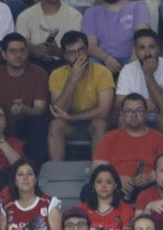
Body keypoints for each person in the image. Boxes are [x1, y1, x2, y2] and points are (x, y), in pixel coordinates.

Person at [46, 31, 116, 162]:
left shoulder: (103, 72)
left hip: (93, 123)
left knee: (100, 124)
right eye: (72, 53)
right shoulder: (57, 74)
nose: (78, 56)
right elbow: (57, 111)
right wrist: (73, 80)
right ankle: (58, 174)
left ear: (87, 50)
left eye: (81, 50)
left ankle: (98, 172)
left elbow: (104, 111)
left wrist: (72, 117)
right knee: (55, 125)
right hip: (69, 126)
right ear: (65, 56)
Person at [84, 0, 153, 71]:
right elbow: (90, 45)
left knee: (142, 61)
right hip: (103, 60)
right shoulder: (91, 12)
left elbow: (142, 37)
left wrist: (131, 66)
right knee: (91, 64)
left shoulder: (138, 6)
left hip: (132, 59)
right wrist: (106, 58)